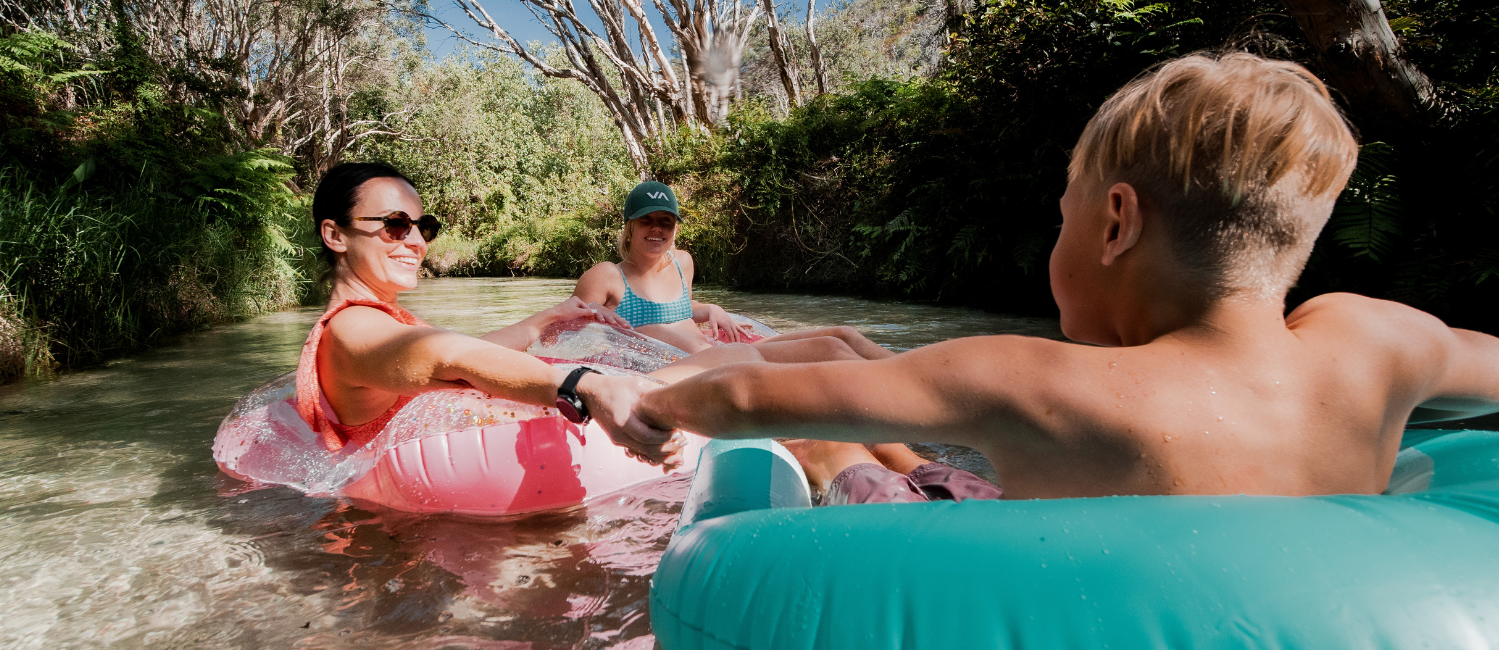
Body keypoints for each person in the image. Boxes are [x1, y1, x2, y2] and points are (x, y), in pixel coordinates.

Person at [631, 52, 1499, 503]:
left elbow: (742, 401)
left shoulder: (1044, 383)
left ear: (1116, 222)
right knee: (885, 402)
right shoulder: (1378, 346)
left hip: (1026, 571)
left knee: (826, 440)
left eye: (1064, 216)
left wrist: (641, 399)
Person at [301, 162, 681, 468]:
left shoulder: (381, 321)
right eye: (395, 225)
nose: (417, 242)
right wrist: (586, 386)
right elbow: (449, 357)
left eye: (424, 227)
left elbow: (467, 354)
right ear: (336, 235)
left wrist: (546, 318)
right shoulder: (351, 327)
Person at [571, 181, 893, 360]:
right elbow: (563, 332)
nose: (657, 229)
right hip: (690, 368)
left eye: (665, 221)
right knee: (830, 350)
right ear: (629, 225)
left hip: (717, 354)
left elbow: (679, 309)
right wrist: (593, 314)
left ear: (675, 227)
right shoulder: (607, 276)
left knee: (843, 335)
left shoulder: (683, 263)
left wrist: (709, 308)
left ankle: (912, 374)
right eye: (647, 220)